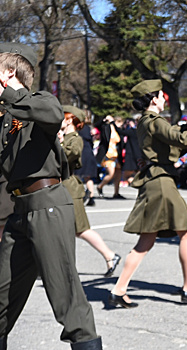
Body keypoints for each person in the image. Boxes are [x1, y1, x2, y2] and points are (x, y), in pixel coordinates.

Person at [0, 42, 102, 349]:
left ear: (8, 73)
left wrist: (8, 93)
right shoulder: (6, 118)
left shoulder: (38, 101)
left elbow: (52, 112)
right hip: (20, 211)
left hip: (48, 205)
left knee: (65, 296)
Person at [108, 79, 187, 308]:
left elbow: (174, 139)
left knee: (146, 239)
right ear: (154, 99)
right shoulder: (153, 120)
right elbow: (181, 139)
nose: (165, 99)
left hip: (155, 180)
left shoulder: (146, 121)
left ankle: (119, 289)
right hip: (161, 182)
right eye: (162, 95)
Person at [59, 105, 121, 277]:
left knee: (81, 229)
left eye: (62, 116)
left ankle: (110, 255)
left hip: (71, 188)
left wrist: (56, 142)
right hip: (62, 187)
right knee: (59, 229)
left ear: (70, 119)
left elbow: (67, 155)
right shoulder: (65, 137)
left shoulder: (75, 139)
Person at [95, 115, 124, 198]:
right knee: (111, 174)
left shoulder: (119, 131)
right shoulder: (106, 127)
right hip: (108, 153)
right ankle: (100, 186)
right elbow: (97, 125)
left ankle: (116, 193)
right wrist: (104, 120)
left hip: (116, 155)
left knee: (118, 173)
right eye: (119, 122)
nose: (120, 125)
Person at [74, 112, 99, 206]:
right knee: (88, 177)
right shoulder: (89, 128)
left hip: (82, 153)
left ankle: (79, 194)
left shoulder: (78, 128)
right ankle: (91, 197)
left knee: (76, 175)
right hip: (89, 153)